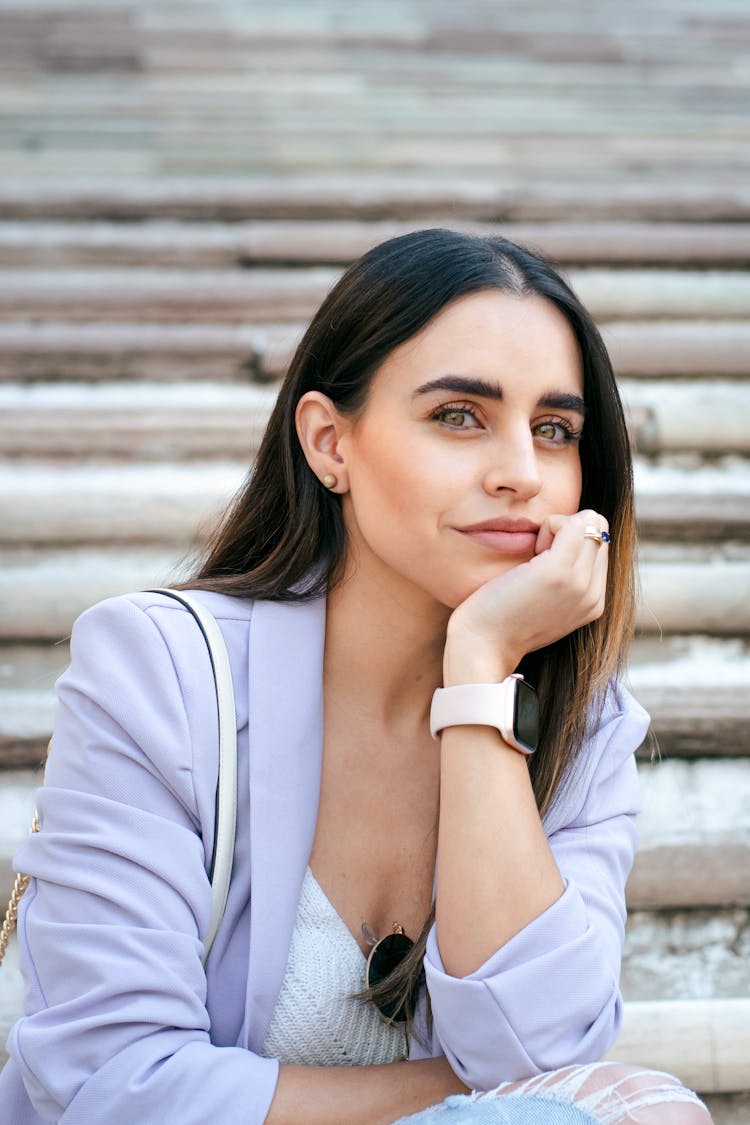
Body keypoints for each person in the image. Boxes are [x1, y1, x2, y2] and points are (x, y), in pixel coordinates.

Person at [0, 230, 711, 1124]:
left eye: (554, 430)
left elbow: (534, 1049)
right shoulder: (161, 672)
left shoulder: (584, 723)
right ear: (329, 442)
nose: (522, 475)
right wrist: (458, 1093)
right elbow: (113, 1085)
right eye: (459, 415)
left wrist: (482, 677)